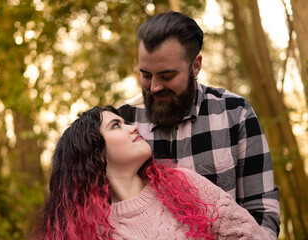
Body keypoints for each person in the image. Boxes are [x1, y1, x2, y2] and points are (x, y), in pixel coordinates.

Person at [118, 11, 280, 239]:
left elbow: (262, 211)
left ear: (195, 66)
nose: (153, 87)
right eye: (146, 75)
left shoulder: (236, 113)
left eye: (166, 76)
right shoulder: (122, 121)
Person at [38, 106, 269, 239]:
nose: (134, 126)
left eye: (126, 122)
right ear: (95, 153)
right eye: (116, 125)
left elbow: (249, 234)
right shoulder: (92, 232)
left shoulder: (182, 184)